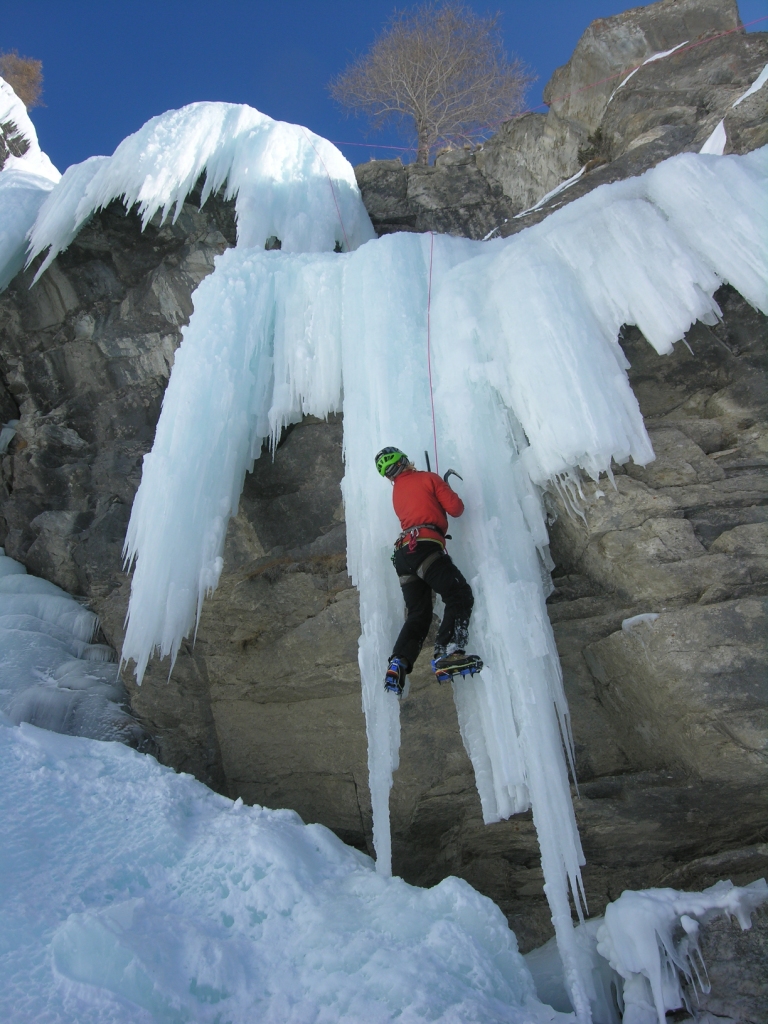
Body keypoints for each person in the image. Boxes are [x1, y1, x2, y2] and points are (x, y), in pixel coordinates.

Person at [375, 447, 482, 697]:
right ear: (404, 460)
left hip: (403, 555)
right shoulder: (428, 478)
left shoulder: (397, 492)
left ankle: (398, 663)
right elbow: (456, 508)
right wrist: (443, 487)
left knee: (419, 614)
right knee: (459, 594)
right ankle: (449, 651)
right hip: (424, 548)